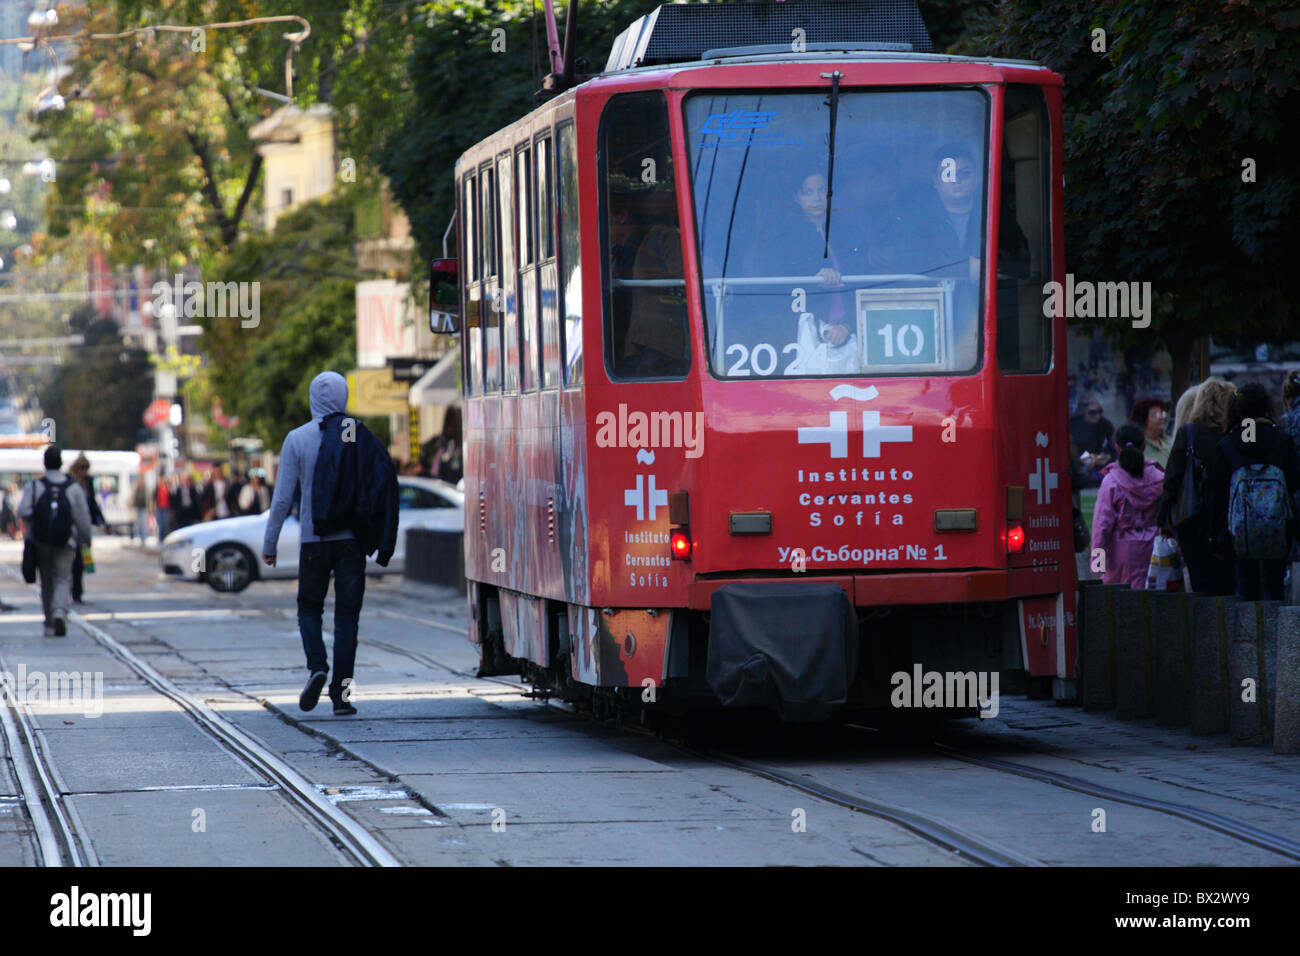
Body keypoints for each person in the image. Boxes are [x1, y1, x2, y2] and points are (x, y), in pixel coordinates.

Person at [263, 371, 398, 717]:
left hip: (314, 541)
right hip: (352, 542)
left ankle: (317, 667)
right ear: (343, 396)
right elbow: (380, 481)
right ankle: (342, 697)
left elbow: (282, 499)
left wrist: (271, 542)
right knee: (347, 618)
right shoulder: (355, 433)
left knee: (309, 609)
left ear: (312, 398)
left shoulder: (297, 438)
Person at [1209, 383, 1300, 601]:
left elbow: (1217, 494)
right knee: (1275, 584)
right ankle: (1275, 630)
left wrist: (1216, 533)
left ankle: (1250, 631)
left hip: (1240, 530)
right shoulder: (1281, 439)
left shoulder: (1227, 443)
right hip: (1277, 526)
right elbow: (1294, 482)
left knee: (1246, 583)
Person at [1158, 378, 1235, 594]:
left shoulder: (1188, 433)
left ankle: (1207, 626)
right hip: (1226, 519)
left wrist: (1163, 517)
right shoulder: (1233, 434)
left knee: (1201, 582)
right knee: (1228, 583)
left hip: (1193, 520)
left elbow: (1173, 478)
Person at [18, 446, 93, 636]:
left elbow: (23, 511)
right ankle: (59, 611)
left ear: (44, 463)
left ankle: (49, 622)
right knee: (62, 578)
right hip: (65, 542)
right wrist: (86, 539)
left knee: (46, 581)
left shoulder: (34, 487)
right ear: (61, 464)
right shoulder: (73, 488)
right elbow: (83, 517)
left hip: (41, 542)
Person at [1090, 423, 1165, 589]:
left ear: (1117, 448)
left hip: (1121, 558)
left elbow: (1101, 528)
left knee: (1125, 608)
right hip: (1155, 553)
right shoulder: (1160, 478)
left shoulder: (1110, 482)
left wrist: (1098, 565)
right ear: (1144, 447)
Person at [68, 454, 105, 604]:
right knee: (71, 560)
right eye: (82, 468)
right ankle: (73, 589)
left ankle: (77, 590)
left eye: (86, 468)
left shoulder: (88, 482)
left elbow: (92, 503)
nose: (85, 471)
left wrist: (102, 520)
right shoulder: (69, 481)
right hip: (71, 524)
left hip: (84, 523)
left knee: (82, 560)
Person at [1068, 393, 1115, 487]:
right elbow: (1075, 454)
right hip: (1079, 471)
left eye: (1099, 412)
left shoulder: (1105, 424)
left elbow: (1112, 447)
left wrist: (1106, 457)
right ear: (1083, 412)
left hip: (1102, 467)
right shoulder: (1073, 425)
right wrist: (1093, 460)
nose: (1097, 415)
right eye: (1092, 412)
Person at [1130, 397, 1171, 470]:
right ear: (1144, 419)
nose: (1162, 417)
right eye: (1156, 414)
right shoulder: (1138, 448)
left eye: (1162, 413)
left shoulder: (1170, 442)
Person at [155, 475, 172, 542]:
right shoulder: (157, 488)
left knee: (165, 524)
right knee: (160, 525)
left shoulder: (167, 487)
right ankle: (160, 539)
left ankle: (165, 539)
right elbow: (154, 497)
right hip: (159, 508)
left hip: (166, 508)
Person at [132, 478, 148, 543]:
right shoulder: (137, 488)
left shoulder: (145, 489)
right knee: (139, 524)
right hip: (138, 508)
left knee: (143, 524)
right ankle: (141, 538)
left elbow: (148, 498)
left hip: (144, 508)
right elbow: (134, 497)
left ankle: (144, 538)